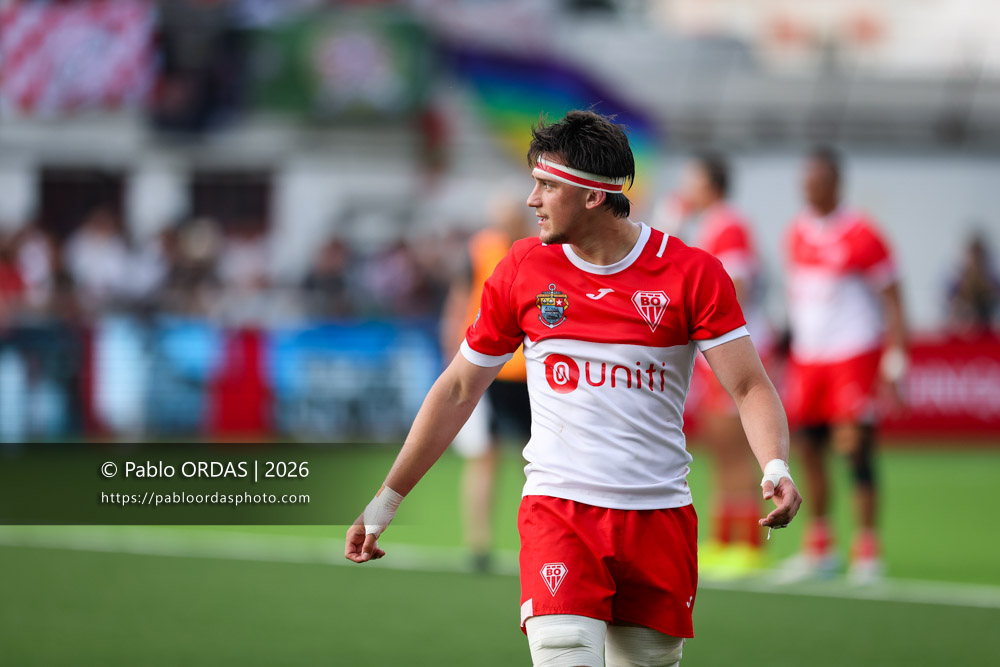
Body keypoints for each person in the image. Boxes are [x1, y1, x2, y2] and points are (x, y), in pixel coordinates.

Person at [345, 111, 801, 667]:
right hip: (561, 515)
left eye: (547, 185)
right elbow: (460, 388)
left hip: (660, 521)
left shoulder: (691, 273)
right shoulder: (521, 269)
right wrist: (386, 500)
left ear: (592, 197)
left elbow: (751, 384)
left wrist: (774, 466)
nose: (531, 199)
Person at [781, 146, 907, 584]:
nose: (807, 188)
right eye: (804, 181)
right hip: (809, 359)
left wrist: (895, 359)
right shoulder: (796, 232)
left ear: (834, 183)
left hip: (853, 356)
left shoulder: (862, 233)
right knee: (810, 449)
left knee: (855, 448)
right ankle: (820, 546)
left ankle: (868, 549)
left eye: (815, 180)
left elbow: (893, 298)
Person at [667, 153, 775, 577]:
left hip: (734, 347)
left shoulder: (730, 224)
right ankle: (724, 537)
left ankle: (750, 542)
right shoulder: (710, 224)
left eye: (692, 179)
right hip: (713, 351)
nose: (685, 187)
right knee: (718, 446)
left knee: (736, 448)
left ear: (710, 184)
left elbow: (738, 287)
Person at [439, 195, 534, 573]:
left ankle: (542, 543)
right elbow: (458, 302)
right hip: (488, 369)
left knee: (539, 461)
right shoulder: (481, 249)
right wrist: (454, 360)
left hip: (534, 373)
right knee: (484, 455)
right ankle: (478, 544)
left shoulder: (543, 247)